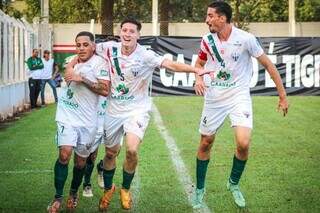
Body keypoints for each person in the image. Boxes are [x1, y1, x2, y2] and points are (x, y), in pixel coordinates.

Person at [90, 17, 210, 211]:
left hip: (137, 109)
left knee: (131, 150)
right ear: (120, 32)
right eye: (125, 30)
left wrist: (195, 69)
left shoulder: (145, 55)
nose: (127, 34)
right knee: (111, 153)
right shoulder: (108, 48)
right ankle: (108, 189)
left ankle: (125, 189)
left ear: (138, 35)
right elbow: (86, 49)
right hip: (113, 109)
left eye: (132, 31)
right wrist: (72, 67)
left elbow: (170, 65)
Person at [192, 1, 289, 209]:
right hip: (214, 97)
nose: (206, 20)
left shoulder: (246, 39)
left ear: (222, 18)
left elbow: (268, 65)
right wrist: (198, 78)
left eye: (210, 16)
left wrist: (282, 95)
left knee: (243, 143)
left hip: (238, 96)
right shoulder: (206, 40)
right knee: (206, 142)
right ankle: (199, 189)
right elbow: (199, 64)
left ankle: (233, 183)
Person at [47, 31, 110, 213]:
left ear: (93, 46)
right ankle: (58, 197)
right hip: (67, 116)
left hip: (88, 120)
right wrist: (73, 71)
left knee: (80, 163)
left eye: (85, 44)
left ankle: (73, 193)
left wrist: (82, 78)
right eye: (78, 45)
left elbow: (104, 90)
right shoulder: (71, 61)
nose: (81, 48)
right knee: (64, 155)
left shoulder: (100, 64)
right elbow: (68, 73)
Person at [82, 96, 108, 197]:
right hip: (94, 118)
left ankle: (101, 167)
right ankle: (87, 183)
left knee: (114, 151)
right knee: (91, 155)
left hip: (113, 116)